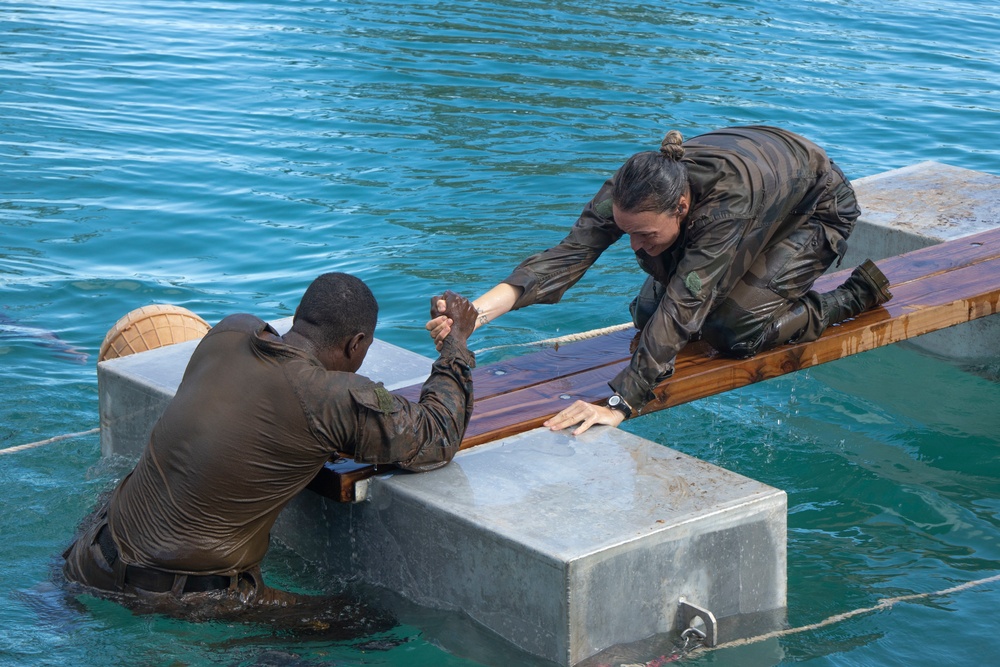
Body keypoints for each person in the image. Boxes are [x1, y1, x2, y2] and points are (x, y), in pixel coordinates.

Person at [63, 273, 478, 625]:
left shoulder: (229, 331)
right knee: (367, 625)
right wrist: (455, 342)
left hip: (91, 554)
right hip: (175, 596)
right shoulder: (332, 398)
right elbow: (438, 435)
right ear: (356, 343)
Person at [427, 125, 892, 434]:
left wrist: (620, 404)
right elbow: (569, 255)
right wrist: (476, 315)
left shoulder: (725, 208)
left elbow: (688, 299)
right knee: (648, 314)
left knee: (733, 329)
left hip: (813, 211)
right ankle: (762, 287)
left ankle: (851, 296)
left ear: (682, 209)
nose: (632, 245)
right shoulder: (630, 188)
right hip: (762, 196)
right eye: (626, 231)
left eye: (644, 234)